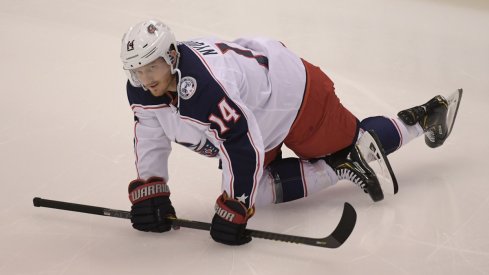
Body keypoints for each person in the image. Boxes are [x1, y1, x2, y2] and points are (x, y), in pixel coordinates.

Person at [121, 19, 458, 246]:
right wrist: (152, 189)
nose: (146, 78)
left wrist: (236, 204)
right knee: (263, 192)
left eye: (153, 66)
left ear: (171, 56)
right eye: (138, 70)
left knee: (353, 141)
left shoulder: (207, 87)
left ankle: (425, 118)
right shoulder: (143, 88)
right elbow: (150, 133)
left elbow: (241, 144)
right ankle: (338, 165)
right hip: (256, 109)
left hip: (293, 94)